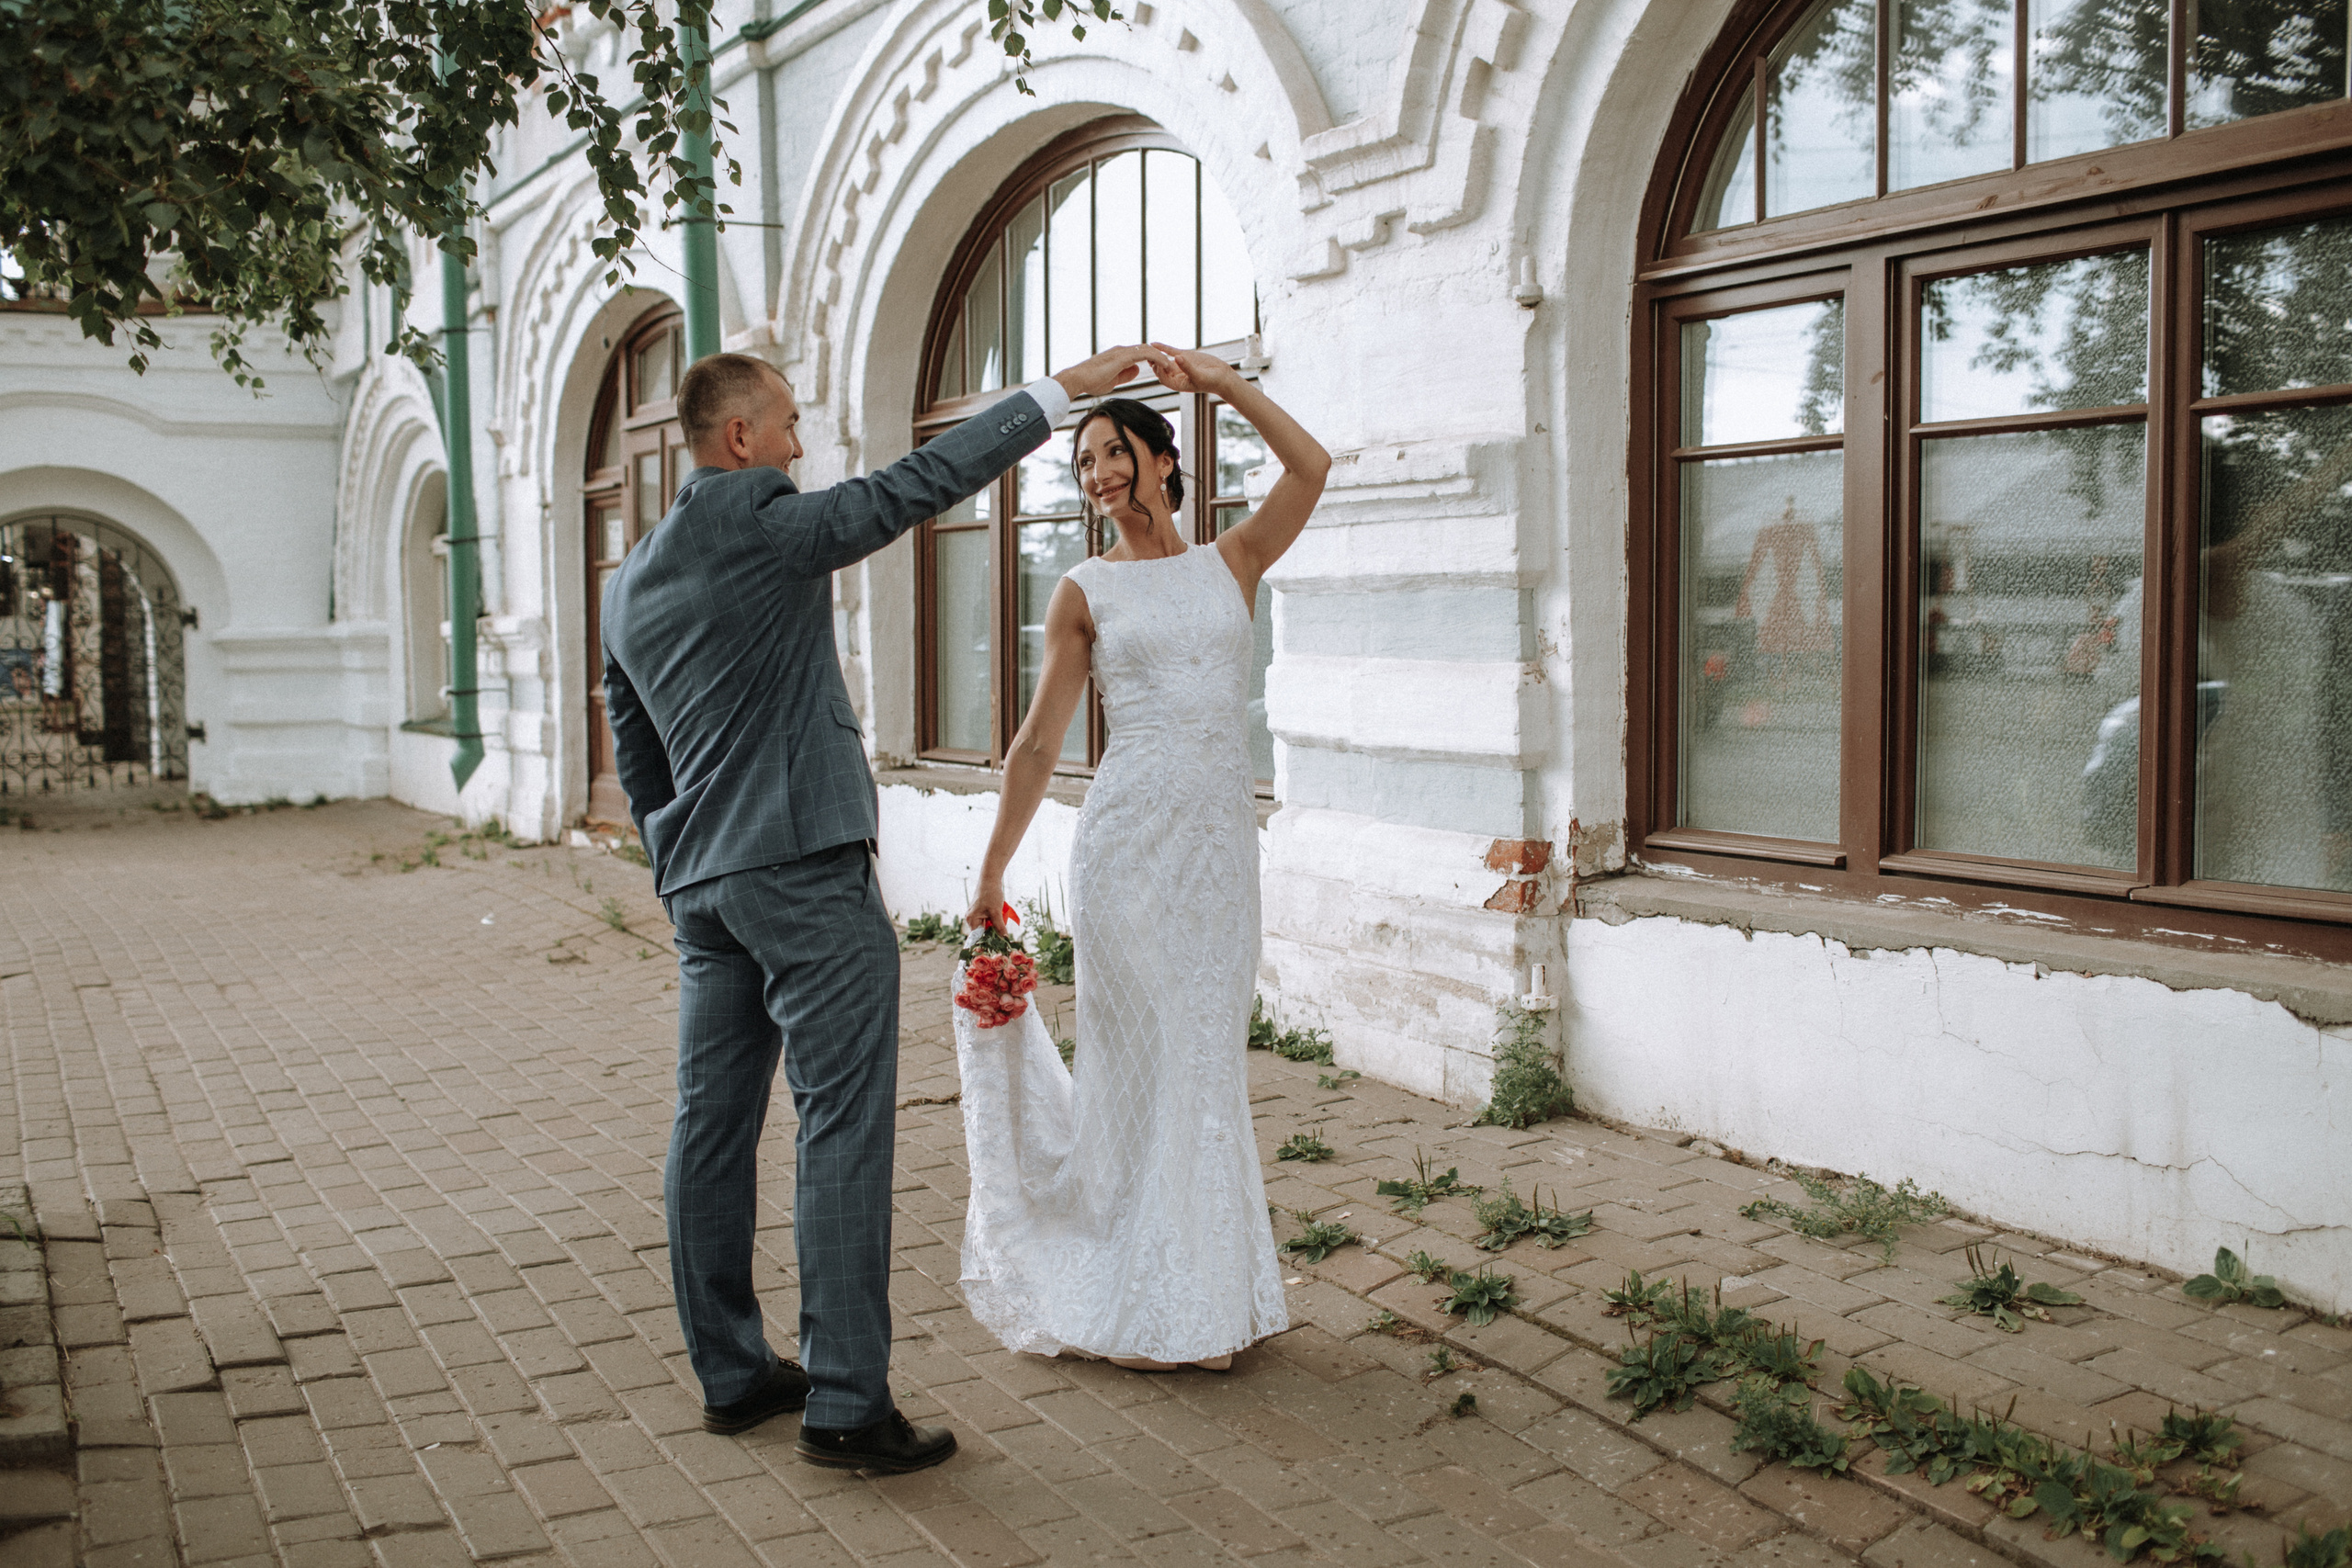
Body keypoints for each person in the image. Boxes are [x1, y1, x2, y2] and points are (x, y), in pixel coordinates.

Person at [600, 340, 1149, 1472]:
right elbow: (914, 487)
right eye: (788, 424)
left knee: (709, 1126)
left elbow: (635, 746)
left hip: (704, 888)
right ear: (740, 437)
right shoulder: (764, 518)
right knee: (841, 1122)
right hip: (803, 871)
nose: (799, 443)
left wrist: (676, 860)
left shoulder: (630, 578)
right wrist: (1059, 395)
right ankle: (847, 1402)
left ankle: (733, 1375)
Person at [955, 343, 1330, 1371]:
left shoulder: (1233, 561)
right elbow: (1039, 743)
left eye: (1114, 451)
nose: (1099, 473)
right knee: (1141, 1062)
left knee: (1203, 1060)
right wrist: (992, 871)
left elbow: (1311, 469)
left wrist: (1226, 385)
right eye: (1083, 462)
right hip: (1126, 853)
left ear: (1164, 460)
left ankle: (1201, 1295)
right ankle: (1154, 1303)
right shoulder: (1084, 592)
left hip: (1218, 858)